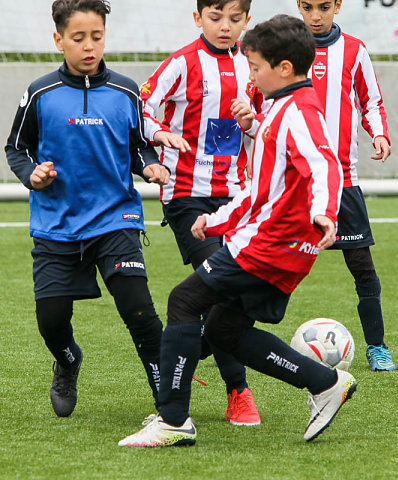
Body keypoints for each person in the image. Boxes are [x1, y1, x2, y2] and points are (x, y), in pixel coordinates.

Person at [118, 14, 357, 448]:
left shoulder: (297, 111)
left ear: (283, 69)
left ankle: (173, 420)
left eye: (255, 67)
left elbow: (326, 165)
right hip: (284, 246)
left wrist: (325, 212)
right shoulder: (281, 109)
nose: (249, 75)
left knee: (185, 301)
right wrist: (218, 219)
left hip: (269, 245)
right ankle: (324, 382)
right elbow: (262, 192)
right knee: (225, 330)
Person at [5, 0, 170, 418]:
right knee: (52, 322)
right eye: (78, 38)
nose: (89, 46)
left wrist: (148, 164)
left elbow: (138, 144)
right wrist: (32, 175)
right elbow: (17, 148)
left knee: (140, 312)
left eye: (96, 37)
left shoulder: (126, 91)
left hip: (116, 220)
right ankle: (67, 360)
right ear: (58, 40)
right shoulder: (40, 93)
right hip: (56, 225)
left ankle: (168, 404)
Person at [139, 0, 265, 426]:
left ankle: (180, 350)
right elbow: (141, 106)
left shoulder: (253, 65)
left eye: (235, 19)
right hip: (187, 197)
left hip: (236, 197)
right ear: (198, 18)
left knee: (232, 296)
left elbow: (267, 126)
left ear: (247, 20)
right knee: (223, 288)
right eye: (215, 18)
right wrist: (160, 134)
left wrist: (251, 122)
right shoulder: (180, 63)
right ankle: (239, 392)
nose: (225, 27)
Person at [296, 0, 396, 371]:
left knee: (362, 268)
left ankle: (377, 347)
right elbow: (259, 98)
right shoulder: (286, 50)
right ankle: (226, 337)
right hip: (295, 181)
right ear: (298, 6)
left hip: (343, 181)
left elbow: (372, 102)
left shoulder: (354, 50)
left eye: (324, 6)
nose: (316, 16)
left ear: (338, 5)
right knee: (266, 265)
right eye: (308, 7)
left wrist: (380, 134)